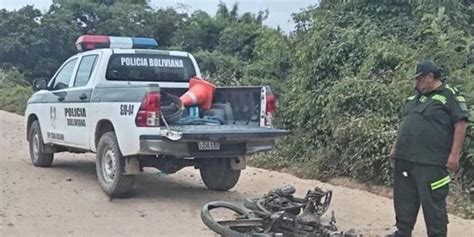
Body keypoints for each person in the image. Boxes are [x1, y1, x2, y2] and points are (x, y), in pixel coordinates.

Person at [387, 60, 469, 237]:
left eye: (419, 79)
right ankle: (403, 232)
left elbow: (461, 124)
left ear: (430, 77)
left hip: (431, 162)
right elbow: (405, 123)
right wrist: (395, 147)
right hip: (405, 158)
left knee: (433, 204)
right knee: (404, 199)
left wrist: (454, 155)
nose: (416, 84)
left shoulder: (449, 95)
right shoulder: (414, 97)